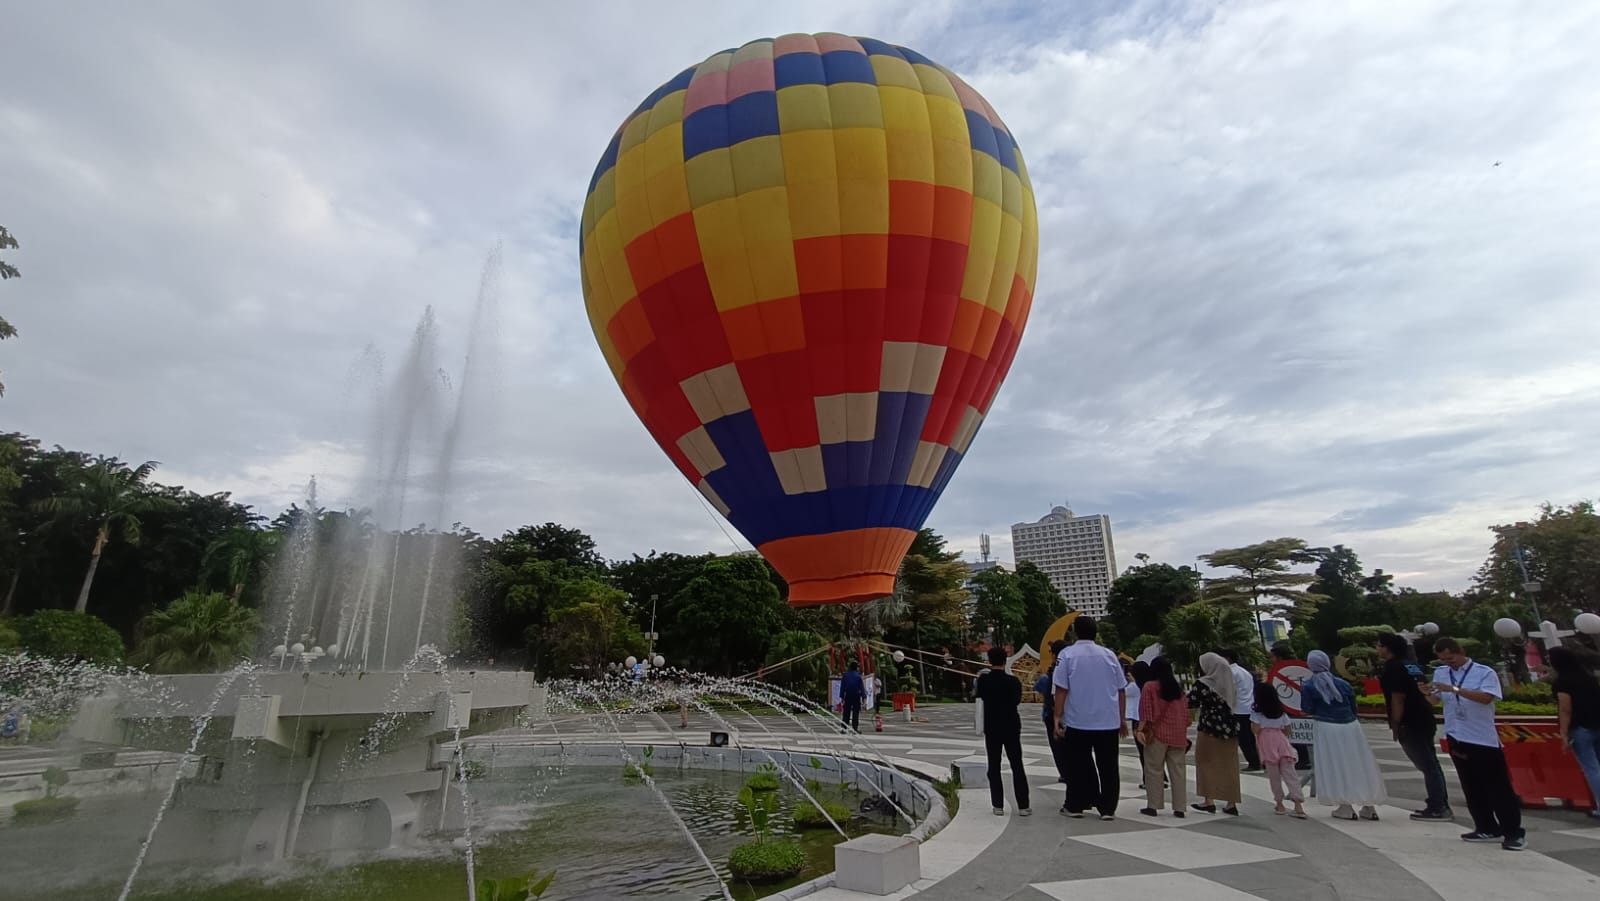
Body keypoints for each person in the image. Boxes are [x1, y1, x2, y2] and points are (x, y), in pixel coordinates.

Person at [1422, 638, 1524, 850]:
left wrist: (1455, 689)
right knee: (1471, 786)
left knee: (1498, 787)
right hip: (1456, 734)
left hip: (1482, 738)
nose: (1449, 664)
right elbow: (1436, 700)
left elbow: (1487, 698)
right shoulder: (1441, 672)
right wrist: (1426, 694)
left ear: (1461, 652)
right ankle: (1485, 826)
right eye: (1443, 660)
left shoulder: (1483, 672)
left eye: (1451, 659)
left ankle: (1513, 832)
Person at [1053, 616, 1128, 820]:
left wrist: (1057, 716)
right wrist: (1121, 719)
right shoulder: (1109, 655)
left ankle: (1077, 804)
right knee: (1109, 766)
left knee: (1078, 765)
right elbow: (1121, 689)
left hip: (1079, 720)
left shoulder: (1067, 655)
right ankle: (1108, 808)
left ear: (1076, 632)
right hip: (1108, 720)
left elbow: (1061, 688)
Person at [1301, 650, 1385, 821]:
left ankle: (1345, 806)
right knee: (1359, 762)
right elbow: (1353, 707)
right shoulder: (1343, 684)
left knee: (1335, 764)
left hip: (1326, 727)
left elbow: (1307, 708)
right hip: (1351, 727)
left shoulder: (1309, 685)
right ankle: (1369, 806)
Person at [1377, 632, 1452, 820]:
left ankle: (1438, 806)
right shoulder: (1413, 665)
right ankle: (1440, 803)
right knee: (1432, 764)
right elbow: (1426, 689)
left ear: (1388, 648)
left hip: (1410, 721)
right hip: (1425, 717)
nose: (1377, 649)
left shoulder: (1393, 668)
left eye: (1380, 645)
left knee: (1427, 765)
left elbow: (1398, 697)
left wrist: (1396, 724)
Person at [975, 646, 1030, 816]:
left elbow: (978, 695)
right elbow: (1016, 701)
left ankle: (997, 804)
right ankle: (1023, 805)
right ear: (1005, 660)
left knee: (994, 765)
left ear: (989, 661)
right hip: (1011, 725)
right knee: (1017, 764)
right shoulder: (1013, 681)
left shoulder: (984, 680)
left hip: (992, 726)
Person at [1548, 645, 1600, 817]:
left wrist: (1563, 733)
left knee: (1591, 768)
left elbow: (1565, 709)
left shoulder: (1562, 682)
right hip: (1597, 723)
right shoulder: (1589, 677)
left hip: (1580, 728)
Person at [1189, 652, 1241, 815]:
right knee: (1229, 764)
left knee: (1205, 762)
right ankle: (1231, 802)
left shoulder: (1204, 683)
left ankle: (1208, 800)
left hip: (1209, 726)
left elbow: (1190, 701)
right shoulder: (1229, 682)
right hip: (1230, 726)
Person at [1138, 656, 1188, 818]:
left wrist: (1140, 730)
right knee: (1178, 771)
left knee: (1154, 769)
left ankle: (1153, 805)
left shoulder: (1150, 687)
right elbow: (1186, 715)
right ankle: (1180, 807)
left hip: (1157, 733)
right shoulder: (1178, 689)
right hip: (1178, 734)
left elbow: (1146, 711)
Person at [1252, 680, 1306, 818]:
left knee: (1274, 776)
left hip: (1267, 743)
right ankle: (1298, 805)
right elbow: (1288, 730)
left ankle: (1279, 804)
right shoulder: (1281, 712)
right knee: (1290, 774)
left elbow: (1255, 730)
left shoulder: (1257, 713)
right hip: (1282, 742)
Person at [1035, 640, 1072, 784]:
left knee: (1057, 746)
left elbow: (1040, 687)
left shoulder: (1051, 674)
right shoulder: (1072, 668)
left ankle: (1065, 773)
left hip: (1053, 714)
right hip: (1072, 714)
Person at [1272, 641, 1312, 770]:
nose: (1271, 660)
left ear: (1279, 657)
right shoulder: (1279, 670)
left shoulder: (1291, 669)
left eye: (1272, 657)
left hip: (1295, 706)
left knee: (1297, 733)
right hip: (1291, 705)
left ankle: (1304, 759)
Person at [1222, 649, 1263, 772]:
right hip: (1249, 707)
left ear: (1228, 658)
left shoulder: (1230, 672)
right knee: (1251, 737)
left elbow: (1230, 691)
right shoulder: (1244, 672)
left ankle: (1253, 761)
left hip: (1239, 708)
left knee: (1244, 738)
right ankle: (1259, 759)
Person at [1127, 661, 1150, 779]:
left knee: (1143, 751)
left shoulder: (1135, 686)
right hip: (1152, 721)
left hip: (1139, 720)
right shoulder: (1152, 685)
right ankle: (1161, 776)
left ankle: (1147, 778)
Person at [839, 660, 865, 733]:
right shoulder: (858, 676)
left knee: (846, 713)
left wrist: (842, 697)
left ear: (850, 667)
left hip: (848, 695)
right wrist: (864, 698)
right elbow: (862, 688)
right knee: (855, 713)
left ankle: (844, 728)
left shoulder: (845, 675)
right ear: (856, 668)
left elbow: (842, 687)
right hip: (856, 695)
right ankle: (855, 728)